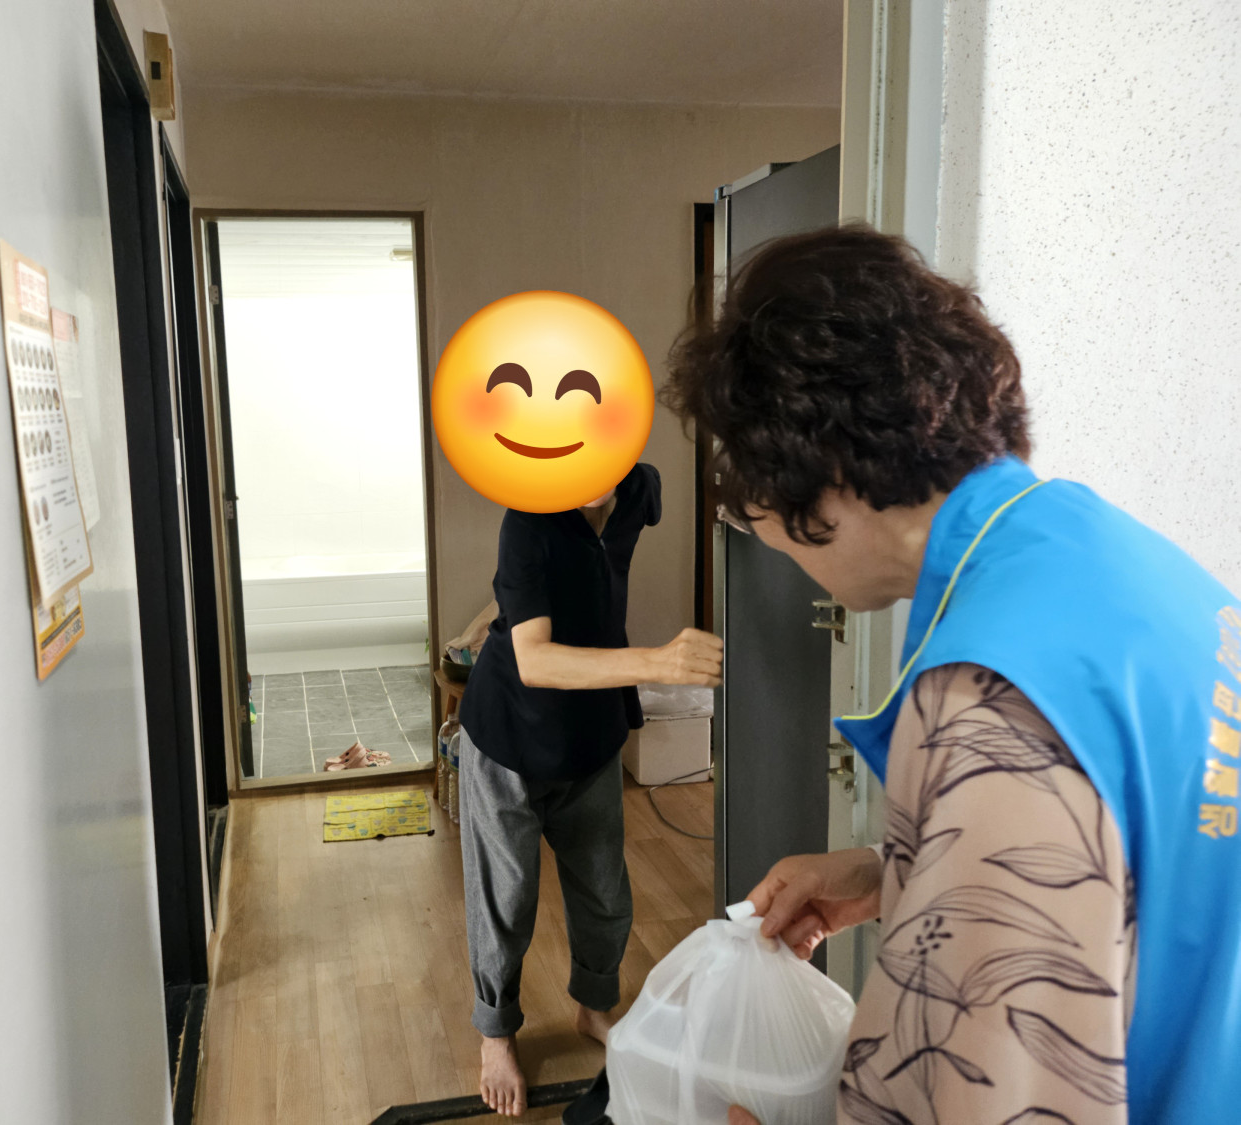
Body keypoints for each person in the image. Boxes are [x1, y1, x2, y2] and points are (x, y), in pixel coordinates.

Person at [661, 224, 1241, 1124]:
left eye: (751, 505)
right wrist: (897, 868)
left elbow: (1012, 1099)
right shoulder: (1107, 553)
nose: (762, 535)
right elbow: (1139, 871)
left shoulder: (989, 700)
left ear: (816, 469)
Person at [455, 462, 723, 1117]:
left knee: (605, 891)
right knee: (506, 899)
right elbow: (534, 658)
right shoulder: (528, 521)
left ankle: (594, 1007)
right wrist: (659, 662)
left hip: (592, 737)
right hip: (509, 741)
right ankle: (496, 1032)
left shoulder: (639, 488)